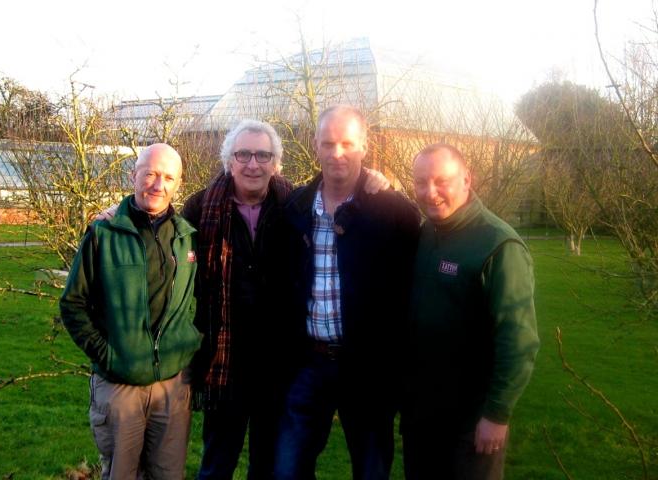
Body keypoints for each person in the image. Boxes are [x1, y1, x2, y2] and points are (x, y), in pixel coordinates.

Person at [183, 119, 392, 480]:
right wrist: (118, 212)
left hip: (277, 364)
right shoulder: (201, 207)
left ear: (276, 163)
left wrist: (375, 180)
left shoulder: (293, 204)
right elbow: (160, 229)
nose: (253, 164)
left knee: (267, 465)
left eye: (263, 155)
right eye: (243, 154)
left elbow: (340, 188)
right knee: (216, 464)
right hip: (224, 361)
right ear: (228, 160)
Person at [274, 105, 422, 479]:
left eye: (347, 143)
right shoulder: (295, 208)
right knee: (287, 469)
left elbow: (413, 286)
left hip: (368, 367)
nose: (337, 152)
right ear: (315, 146)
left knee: (371, 470)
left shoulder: (394, 211)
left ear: (364, 146)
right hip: (309, 362)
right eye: (328, 143)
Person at [60, 143, 201, 479]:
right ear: (133, 175)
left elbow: (194, 300)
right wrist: (108, 356)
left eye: (168, 177)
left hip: (172, 384)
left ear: (178, 184)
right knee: (122, 473)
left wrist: (187, 342)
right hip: (120, 384)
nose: (157, 184)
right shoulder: (103, 233)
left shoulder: (186, 237)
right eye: (150, 173)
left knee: (168, 474)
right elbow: (73, 304)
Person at [402, 143, 540, 479]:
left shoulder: (497, 245)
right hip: (422, 415)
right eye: (420, 182)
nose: (429, 193)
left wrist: (497, 414)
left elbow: (518, 342)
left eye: (441, 181)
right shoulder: (427, 233)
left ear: (467, 179)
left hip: (471, 421)